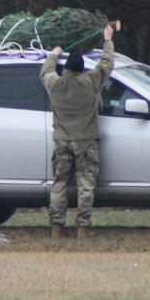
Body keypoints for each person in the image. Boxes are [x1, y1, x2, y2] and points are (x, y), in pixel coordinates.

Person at [39, 24, 115, 238]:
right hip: (85, 141)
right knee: (85, 183)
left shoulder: (55, 84)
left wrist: (54, 54)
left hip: (61, 141)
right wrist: (107, 39)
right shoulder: (90, 82)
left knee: (60, 183)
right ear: (82, 68)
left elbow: (45, 71)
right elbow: (107, 63)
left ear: (66, 69)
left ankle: (56, 228)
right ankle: (82, 228)